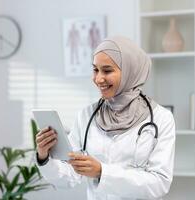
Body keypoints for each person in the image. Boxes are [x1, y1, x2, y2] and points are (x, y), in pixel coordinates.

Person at [35, 36, 175, 200]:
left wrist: (102, 172)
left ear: (131, 71)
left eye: (107, 71)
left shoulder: (161, 118)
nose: (98, 79)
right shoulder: (87, 116)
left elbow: (159, 183)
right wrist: (44, 157)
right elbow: (69, 175)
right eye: (95, 70)